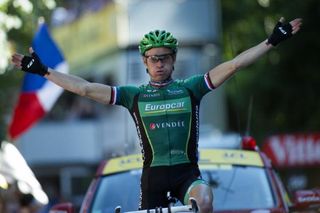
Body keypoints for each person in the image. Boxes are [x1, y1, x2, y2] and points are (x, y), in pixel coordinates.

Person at [11, 17, 302, 212]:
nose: (159, 63)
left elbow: (235, 64)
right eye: (153, 59)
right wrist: (43, 70)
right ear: (145, 62)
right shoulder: (133, 95)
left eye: (164, 58)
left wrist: (271, 41)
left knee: (205, 199)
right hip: (154, 179)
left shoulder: (191, 88)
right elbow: (85, 89)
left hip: (188, 174)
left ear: (173, 60)